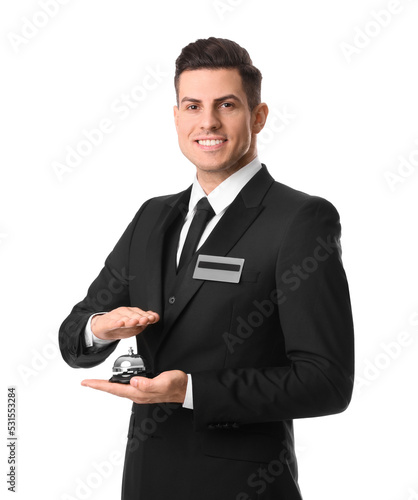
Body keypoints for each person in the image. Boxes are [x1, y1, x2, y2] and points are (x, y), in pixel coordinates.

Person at [59, 37, 354, 500]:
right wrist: (102, 327)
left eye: (227, 105)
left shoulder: (300, 219)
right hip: (145, 481)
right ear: (176, 116)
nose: (208, 122)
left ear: (258, 116)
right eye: (192, 106)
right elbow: (74, 332)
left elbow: (327, 382)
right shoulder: (152, 217)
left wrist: (192, 390)